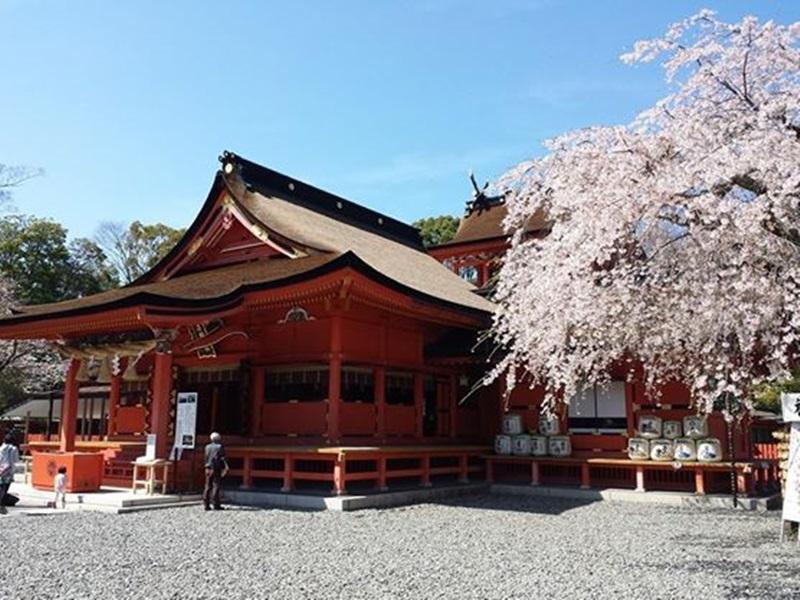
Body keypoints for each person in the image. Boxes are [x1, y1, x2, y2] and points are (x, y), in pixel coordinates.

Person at [203, 432, 228, 511]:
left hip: (207, 467)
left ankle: (206, 504)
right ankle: (216, 504)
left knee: (207, 486)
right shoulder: (220, 447)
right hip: (216, 468)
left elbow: (206, 457)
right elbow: (222, 458)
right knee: (216, 485)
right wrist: (225, 468)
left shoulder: (207, 447)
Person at [0, 432, 20, 515]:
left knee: (1, 486)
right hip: (8, 470)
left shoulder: (1, 448)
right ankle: (1, 504)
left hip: (0, 469)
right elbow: (15, 460)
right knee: (5, 488)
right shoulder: (13, 448)